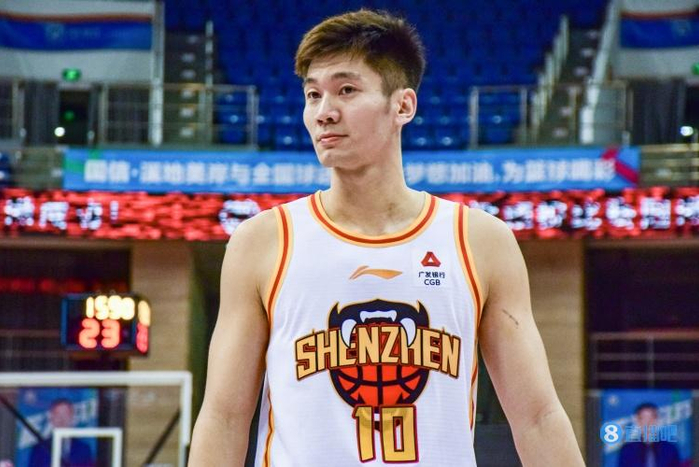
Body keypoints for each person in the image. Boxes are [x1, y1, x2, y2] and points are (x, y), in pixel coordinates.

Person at [190, 9, 584, 466]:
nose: (324, 112)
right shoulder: (262, 241)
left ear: (403, 106)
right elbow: (223, 417)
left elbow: (537, 417)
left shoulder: (480, 241)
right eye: (313, 94)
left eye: (346, 90)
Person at [28, 399, 94, 467]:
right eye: (58, 415)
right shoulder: (40, 449)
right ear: (51, 418)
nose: (62, 419)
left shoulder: (83, 449)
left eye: (65, 414)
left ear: (72, 418)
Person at [618, 403, 680, 467]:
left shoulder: (670, 449)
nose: (648, 423)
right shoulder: (627, 451)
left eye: (651, 418)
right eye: (644, 419)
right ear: (638, 422)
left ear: (657, 421)